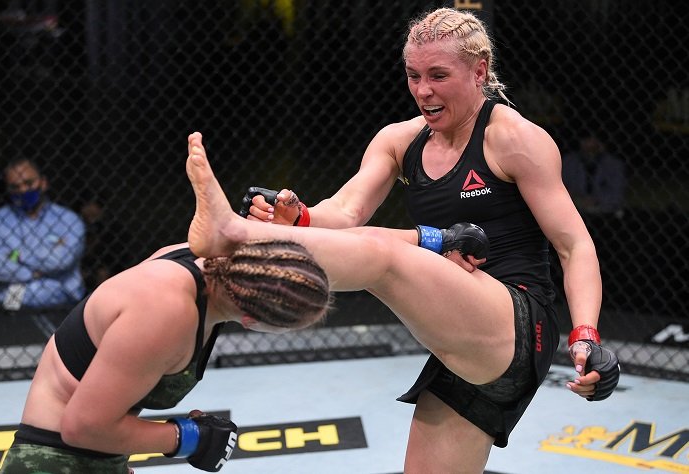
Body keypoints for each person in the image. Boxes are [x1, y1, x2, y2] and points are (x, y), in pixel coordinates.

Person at [231, 7, 620, 472]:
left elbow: (574, 245)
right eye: (413, 75)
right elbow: (346, 211)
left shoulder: (514, 139)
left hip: (516, 324)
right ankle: (254, 259)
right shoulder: (399, 141)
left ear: (479, 72)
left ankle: (238, 262)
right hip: (462, 339)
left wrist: (585, 334)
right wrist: (298, 217)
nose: (422, 91)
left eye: (438, 75)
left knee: (384, 256)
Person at [0, 239, 331, 473]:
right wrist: (191, 438)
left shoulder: (206, 266)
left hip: (90, 457)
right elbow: (83, 427)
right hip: (51, 460)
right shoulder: (165, 311)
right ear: (252, 321)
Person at [0, 158, 86, 310]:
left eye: (29, 183)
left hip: (64, 300)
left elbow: (61, 261)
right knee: (11, 314)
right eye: (15, 186)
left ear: (43, 183)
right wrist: (32, 273)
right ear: (8, 189)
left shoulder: (68, 219)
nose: (23, 190)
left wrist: (15, 255)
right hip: (13, 302)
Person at [561, 134, 626, 216]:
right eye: (586, 140)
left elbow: (617, 194)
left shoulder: (614, 164)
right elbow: (561, 188)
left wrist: (595, 200)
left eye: (595, 140)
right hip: (575, 209)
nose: (590, 144)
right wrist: (577, 199)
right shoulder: (569, 161)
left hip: (604, 210)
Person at [80, 197, 134, 291]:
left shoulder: (113, 227)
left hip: (109, 264)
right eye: (85, 205)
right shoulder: (81, 226)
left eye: (90, 204)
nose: (87, 209)